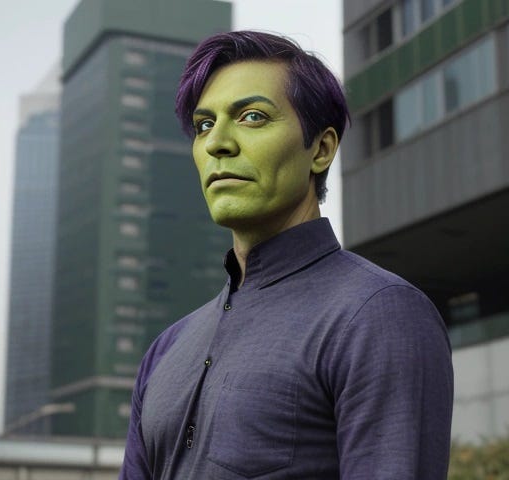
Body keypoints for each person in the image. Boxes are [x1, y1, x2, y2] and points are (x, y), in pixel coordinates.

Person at [119, 30, 453, 479]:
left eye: (252, 116)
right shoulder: (166, 349)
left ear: (321, 148)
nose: (218, 142)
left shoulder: (378, 315)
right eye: (203, 125)